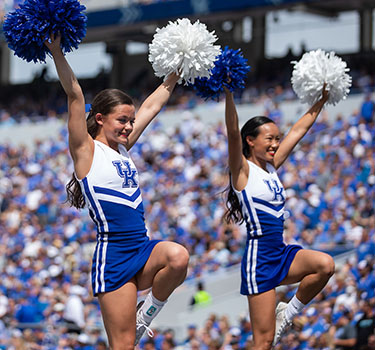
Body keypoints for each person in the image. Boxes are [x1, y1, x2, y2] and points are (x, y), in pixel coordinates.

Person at [44, 35, 189, 349]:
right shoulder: (86, 150)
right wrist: (56, 51)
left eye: (131, 121)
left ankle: (145, 314)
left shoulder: (123, 148)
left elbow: (153, 105)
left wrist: (177, 68)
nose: (128, 126)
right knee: (123, 346)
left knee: (178, 257)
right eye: (122, 120)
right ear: (99, 119)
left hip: (143, 247)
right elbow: (74, 94)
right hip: (114, 258)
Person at [223, 85, 335, 350]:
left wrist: (321, 101)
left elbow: (298, 130)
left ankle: (289, 310)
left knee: (325, 265)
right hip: (259, 260)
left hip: (280, 252)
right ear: (250, 140)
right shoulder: (242, 170)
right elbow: (231, 132)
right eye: (269, 139)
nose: (275, 144)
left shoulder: (272, 167)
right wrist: (228, 92)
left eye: (277, 139)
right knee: (263, 343)